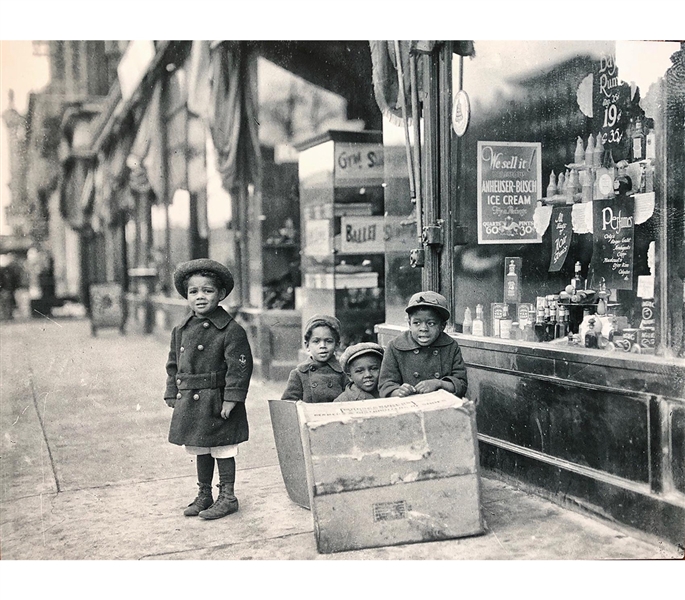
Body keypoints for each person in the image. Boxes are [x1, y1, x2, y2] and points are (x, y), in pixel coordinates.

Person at [164, 259, 253, 520]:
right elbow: (173, 365)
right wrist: (172, 392)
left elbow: (240, 368)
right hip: (192, 400)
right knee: (200, 446)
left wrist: (231, 399)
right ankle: (205, 493)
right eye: (194, 292)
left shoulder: (230, 330)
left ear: (221, 294)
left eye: (207, 291)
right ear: (186, 296)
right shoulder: (181, 330)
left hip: (217, 399)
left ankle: (228, 496)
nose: (200, 297)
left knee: (223, 448)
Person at [379, 291, 468, 398]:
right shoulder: (395, 346)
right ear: (409, 324)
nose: (423, 329)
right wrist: (399, 391)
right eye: (416, 323)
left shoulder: (450, 346)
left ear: (442, 326)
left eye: (431, 323)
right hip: (407, 407)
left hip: (441, 406)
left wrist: (439, 383)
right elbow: (386, 385)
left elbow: (461, 385)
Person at [281, 314, 347, 403]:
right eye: (316, 341)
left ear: (337, 345)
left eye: (329, 341)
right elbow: (288, 404)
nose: (322, 346)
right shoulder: (299, 374)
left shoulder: (344, 372)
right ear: (307, 345)